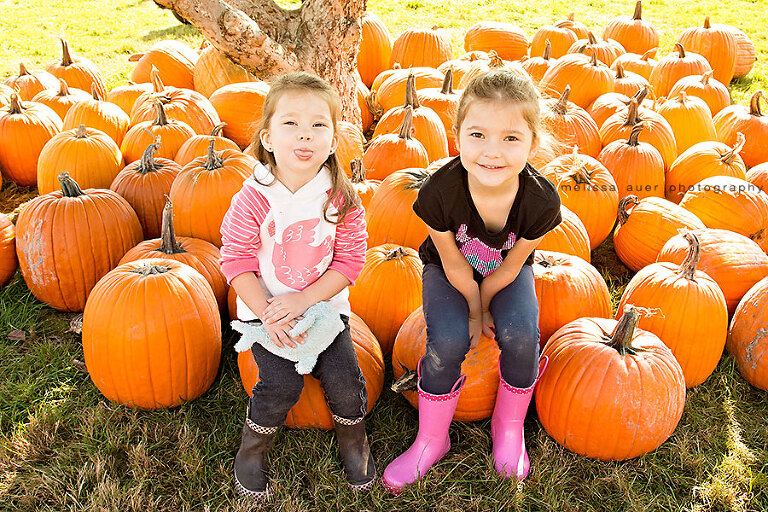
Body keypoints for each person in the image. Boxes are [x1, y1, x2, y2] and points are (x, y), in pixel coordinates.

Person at [382, 70, 562, 494]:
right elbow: (455, 264)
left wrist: (488, 306)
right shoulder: (440, 191)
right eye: (477, 135)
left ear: (533, 144)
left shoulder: (540, 201)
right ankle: (432, 438)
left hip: (505, 273)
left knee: (521, 335)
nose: (492, 152)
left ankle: (509, 424)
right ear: (457, 134)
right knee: (447, 341)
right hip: (449, 272)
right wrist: (475, 312)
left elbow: (511, 266)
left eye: (511, 139)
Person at [219, 72, 373, 501]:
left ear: (334, 140)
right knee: (280, 385)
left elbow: (350, 261)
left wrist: (306, 298)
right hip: (266, 308)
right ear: (267, 138)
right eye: (291, 123)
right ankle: (252, 450)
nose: (305, 134)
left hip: (323, 306)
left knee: (346, 380)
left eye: (319, 125)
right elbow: (236, 262)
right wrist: (269, 311)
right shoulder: (253, 198)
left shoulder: (339, 197)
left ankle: (353, 440)